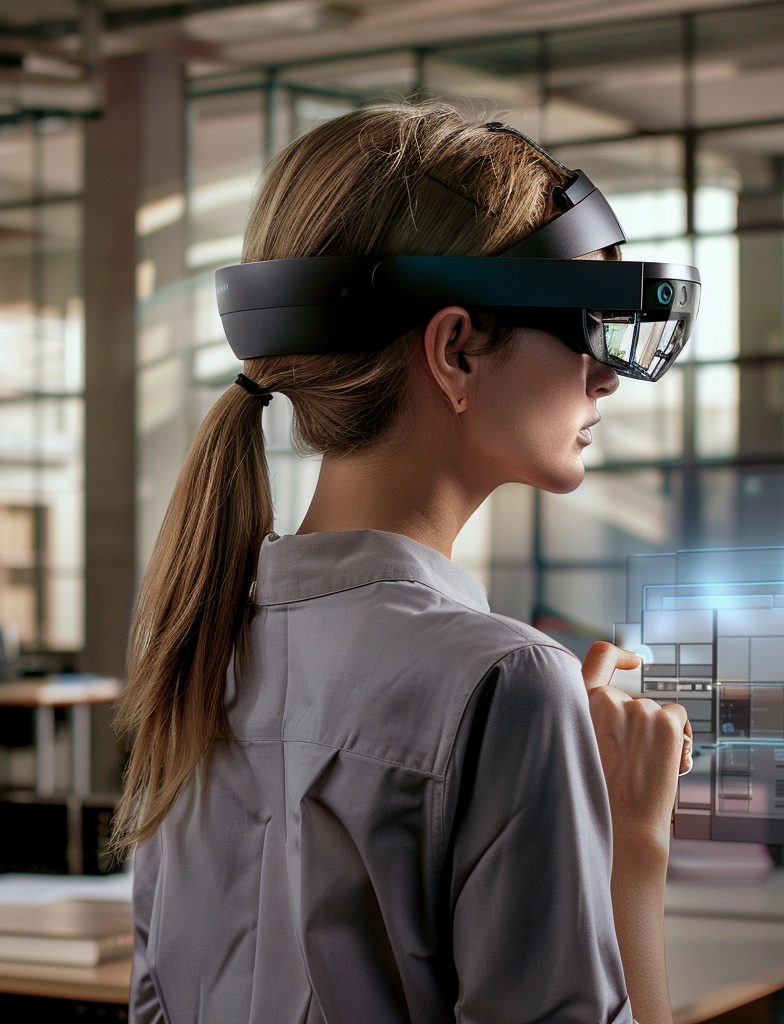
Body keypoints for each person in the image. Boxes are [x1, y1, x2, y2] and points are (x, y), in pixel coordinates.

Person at [114, 101, 692, 1024]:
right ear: (456, 348)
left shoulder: (199, 644)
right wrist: (631, 850)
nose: (606, 376)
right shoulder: (511, 683)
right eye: (587, 325)